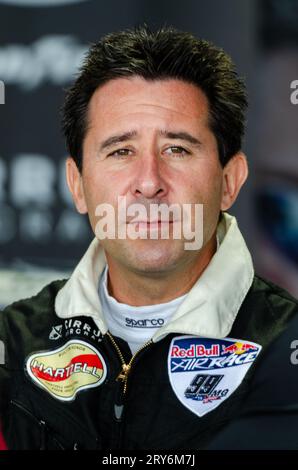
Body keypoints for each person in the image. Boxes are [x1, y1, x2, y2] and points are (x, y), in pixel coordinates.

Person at [0, 24, 297, 450]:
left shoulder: (287, 346)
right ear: (78, 185)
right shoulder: (11, 346)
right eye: (121, 151)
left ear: (230, 182)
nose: (149, 182)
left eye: (177, 148)